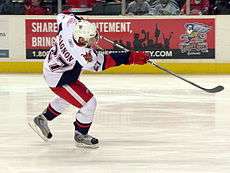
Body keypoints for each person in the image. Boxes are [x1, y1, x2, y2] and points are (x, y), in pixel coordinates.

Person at [29, 13, 150, 148]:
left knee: (68, 98)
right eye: (91, 39)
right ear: (81, 39)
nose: (94, 42)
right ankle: (81, 134)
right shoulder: (83, 54)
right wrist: (130, 58)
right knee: (89, 103)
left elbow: (61, 16)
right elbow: (104, 63)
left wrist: (79, 20)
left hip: (57, 70)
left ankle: (42, 119)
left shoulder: (69, 26)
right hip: (59, 79)